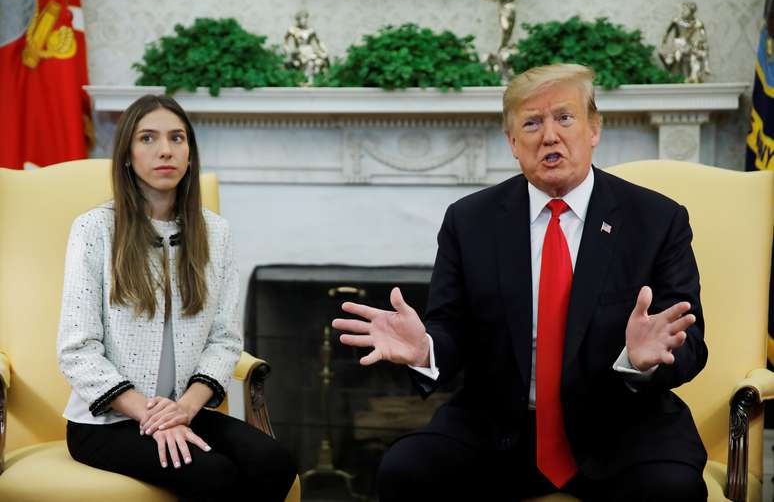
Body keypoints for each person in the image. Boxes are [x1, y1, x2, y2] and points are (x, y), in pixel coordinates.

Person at [333, 63, 708, 501]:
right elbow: (451, 328)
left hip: (621, 426)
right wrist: (426, 350)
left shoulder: (657, 219)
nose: (549, 136)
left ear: (594, 129)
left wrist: (642, 361)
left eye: (564, 118)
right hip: (499, 429)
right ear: (512, 142)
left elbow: (690, 343)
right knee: (405, 471)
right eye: (531, 123)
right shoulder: (469, 221)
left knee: (673, 489)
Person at [57, 94, 297, 501]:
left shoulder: (215, 232)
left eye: (177, 138)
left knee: (274, 462)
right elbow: (77, 350)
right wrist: (153, 416)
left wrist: (184, 410)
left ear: (189, 154)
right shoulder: (94, 229)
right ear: (127, 154)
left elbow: (224, 339)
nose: (165, 150)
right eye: (147, 138)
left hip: (185, 408)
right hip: (106, 422)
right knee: (214, 475)